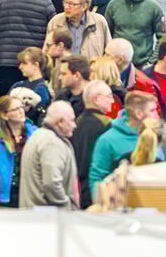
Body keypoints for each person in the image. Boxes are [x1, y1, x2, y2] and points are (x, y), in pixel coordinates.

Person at [0, 0, 56, 96]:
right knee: (31, 101)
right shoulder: (46, 4)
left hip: (5, 62)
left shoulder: (2, 3)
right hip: (33, 63)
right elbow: (52, 33)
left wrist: (0, 48)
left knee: (7, 101)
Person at [88, 90, 157, 199]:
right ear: (139, 113)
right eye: (152, 111)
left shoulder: (155, 136)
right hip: (120, 205)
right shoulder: (107, 140)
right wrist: (102, 204)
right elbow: (97, 181)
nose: (156, 115)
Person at [19, 101, 79, 209]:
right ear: (60, 122)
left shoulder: (38, 135)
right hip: (48, 215)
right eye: (71, 120)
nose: (74, 125)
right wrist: (66, 205)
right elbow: (52, 183)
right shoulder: (52, 143)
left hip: (34, 212)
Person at [105, 0, 165, 68]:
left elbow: (163, 38)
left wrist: (151, 63)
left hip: (143, 67)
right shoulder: (113, 5)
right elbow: (106, 35)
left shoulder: (154, 8)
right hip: (116, 66)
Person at [71, 80, 113, 209]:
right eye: (109, 96)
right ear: (96, 99)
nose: (112, 101)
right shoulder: (106, 125)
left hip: (78, 190)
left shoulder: (76, 123)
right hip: (98, 190)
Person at [47, 0, 111, 61]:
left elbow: (109, 52)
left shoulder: (99, 22)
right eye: (65, 3)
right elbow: (46, 52)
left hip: (91, 68)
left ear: (84, 6)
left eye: (71, 4)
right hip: (63, 67)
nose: (67, 7)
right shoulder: (55, 22)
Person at [11, 47, 52, 126]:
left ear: (36, 65)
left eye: (24, 63)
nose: (20, 67)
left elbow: (34, 116)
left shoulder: (41, 89)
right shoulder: (18, 85)